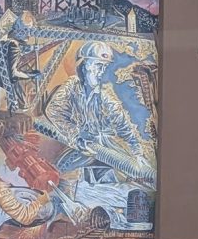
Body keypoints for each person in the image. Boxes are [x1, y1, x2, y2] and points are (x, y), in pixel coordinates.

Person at [44, 41, 150, 183]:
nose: (101, 72)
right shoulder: (71, 86)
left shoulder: (106, 98)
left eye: (104, 67)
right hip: (80, 147)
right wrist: (75, 133)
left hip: (105, 150)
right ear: (85, 65)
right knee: (57, 178)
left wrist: (137, 153)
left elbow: (124, 127)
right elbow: (53, 111)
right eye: (98, 65)